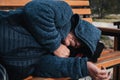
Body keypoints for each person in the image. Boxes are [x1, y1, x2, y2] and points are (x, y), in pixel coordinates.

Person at [0, 0, 111, 80]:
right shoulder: (65, 13)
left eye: (74, 45)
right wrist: (55, 45)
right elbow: (34, 9)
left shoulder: (58, 54)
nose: (68, 43)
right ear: (79, 30)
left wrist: (85, 67)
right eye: (74, 40)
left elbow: (42, 66)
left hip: (6, 67)